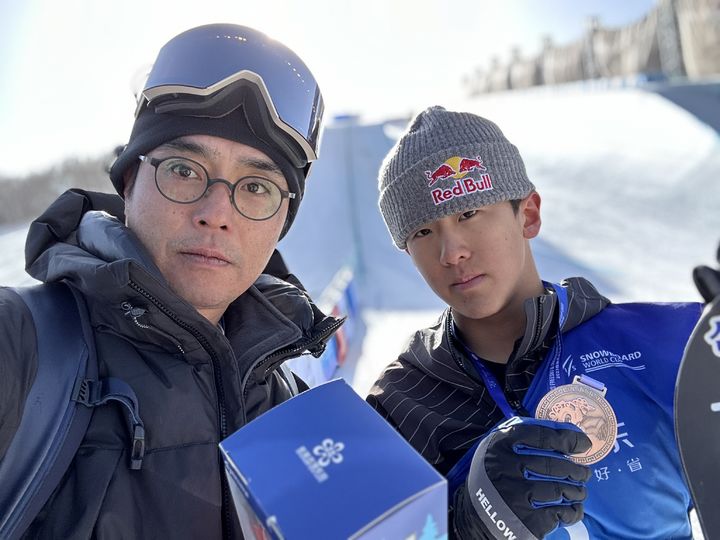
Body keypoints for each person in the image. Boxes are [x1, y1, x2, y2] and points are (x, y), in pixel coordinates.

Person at [0, 24, 341, 539]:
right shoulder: (21, 345)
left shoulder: (286, 402)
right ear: (129, 179)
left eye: (255, 187)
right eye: (183, 169)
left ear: (281, 224)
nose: (215, 213)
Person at [368, 106, 701, 539]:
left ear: (527, 215)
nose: (451, 252)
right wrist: (467, 526)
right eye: (422, 233)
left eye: (468, 214)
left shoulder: (660, 344)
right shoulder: (400, 404)